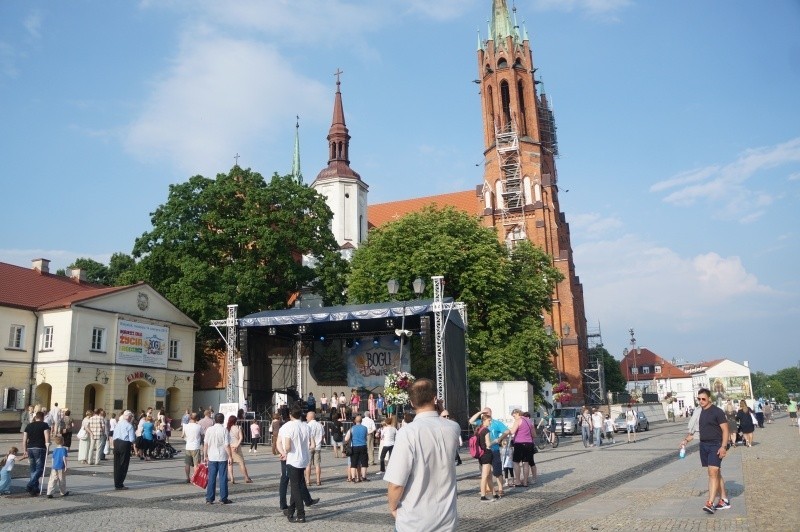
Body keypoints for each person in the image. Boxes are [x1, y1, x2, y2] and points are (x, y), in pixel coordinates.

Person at [385, 378, 460, 531]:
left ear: (411, 403)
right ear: (435, 399)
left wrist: (393, 508)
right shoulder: (453, 428)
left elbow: (397, 483)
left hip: (415, 521)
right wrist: (439, 409)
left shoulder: (407, 433)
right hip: (447, 519)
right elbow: (444, 419)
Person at [680, 388, 729, 514]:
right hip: (704, 445)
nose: (701, 401)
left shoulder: (717, 412)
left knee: (712, 472)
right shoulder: (699, 413)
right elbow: (696, 432)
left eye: (703, 399)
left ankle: (710, 503)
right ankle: (724, 500)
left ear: (709, 399)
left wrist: (723, 447)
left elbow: (725, 430)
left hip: (716, 445)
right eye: (699, 399)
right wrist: (686, 440)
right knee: (716, 473)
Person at [468, 406, 509, 499]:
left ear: (491, 413)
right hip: (484, 452)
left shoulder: (496, 423)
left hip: (494, 450)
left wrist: (499, 439)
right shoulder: (481, 424)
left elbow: (507, 431)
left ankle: (500, 489)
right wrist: (479, 413)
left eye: (487, 413)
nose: (486, 415)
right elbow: (471, 421)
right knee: (486, 473)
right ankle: (487, 491)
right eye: (484, 413)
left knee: (497, 471)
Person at [280, 405, 311, 523]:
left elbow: (287, 446)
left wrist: (284, 452)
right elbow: (310, 442)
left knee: (295, 488)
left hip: (293, 459)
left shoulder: (290, 427)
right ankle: (291, 511)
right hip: (303, 459)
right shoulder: (306, 426)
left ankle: (301, 514)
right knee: (296, 485)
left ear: (290, 415)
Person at [203, 413, 233, 505]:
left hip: (212, 456)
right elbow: (226, 445)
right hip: (222, 456)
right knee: (223, 477)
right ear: (223, 420)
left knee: (211, 477)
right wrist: (230, 456)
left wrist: (205, 455)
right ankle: (223, 498)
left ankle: (209, 498)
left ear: (214, 420)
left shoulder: (209, 430)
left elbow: (206, 444)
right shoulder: (224, 430)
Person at [22, 410, 50, 496]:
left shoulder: (29, 426)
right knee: (40, 468)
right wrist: (48, 446)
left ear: (35, 417)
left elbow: (24, 439)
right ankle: (30, 484)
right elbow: (47, 436)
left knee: (33, 469)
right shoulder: (44, 425)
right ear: (42, 417)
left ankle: (35, 488)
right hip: (40, 448)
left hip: (30, 448)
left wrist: (24, 450)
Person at [508, 409, 536, 486]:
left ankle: (517, 481)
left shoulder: (518, 420)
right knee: (526, 463)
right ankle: (525, 482)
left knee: (516, 462)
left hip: (519, 443)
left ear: (517, 413)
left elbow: (512, 431)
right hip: (529, 444)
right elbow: (534, 434)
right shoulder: (529, 420)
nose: (514, 418)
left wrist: (507, 431)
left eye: (514, 416)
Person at [112, 410, 137, 490]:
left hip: (116, 443)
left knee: (116, 464)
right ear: (129, 417)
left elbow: (114, 435)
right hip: (124, 444)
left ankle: (116, 483)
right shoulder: (129, 426)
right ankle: (120, 484)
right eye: (131, 417)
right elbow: (132, 439)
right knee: (123, 464)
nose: (131, 418)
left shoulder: (118, 424)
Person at [225, 415, 252, 484]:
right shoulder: (238, 427)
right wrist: (237, 446)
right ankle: (246, 477)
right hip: (236, 447)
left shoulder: (227, 428)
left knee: (230, 463)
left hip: (229, 447)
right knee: (241, 463)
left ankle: (232, 478)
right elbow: (241, 438)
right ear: (235, 421)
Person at [345, 415, 369, 482]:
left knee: (353, 463)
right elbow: (366, 437)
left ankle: (353, 478)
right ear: (361, 421)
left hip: (355, 446)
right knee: (364, 462)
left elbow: (346, 438)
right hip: (363, 445)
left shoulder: (352, 428)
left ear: (355, 421)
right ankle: (363, 477)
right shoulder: (365, 428)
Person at [183, 412, 202, 483]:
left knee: (187, 463)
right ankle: (195, 479)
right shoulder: (199, 426)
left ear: (190, 418)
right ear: (197, 418)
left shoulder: (186, 426)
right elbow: (202, 434)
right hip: (196, 446)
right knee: (196, 464)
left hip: (188, 446)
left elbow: (184, 436)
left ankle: (187, 478)